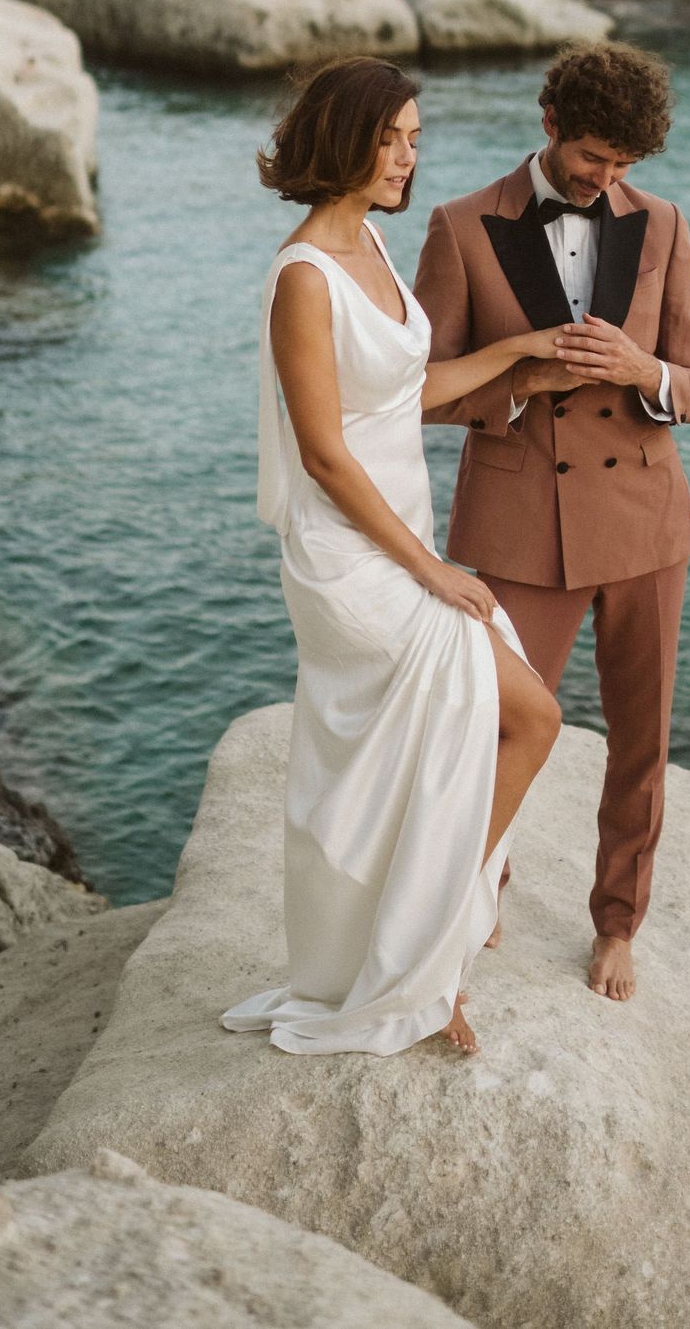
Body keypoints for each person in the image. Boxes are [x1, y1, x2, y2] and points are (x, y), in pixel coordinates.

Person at [220, 57, 563, 1057]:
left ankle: (429, 953)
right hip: (356, 564)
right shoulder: (301, 278)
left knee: (444, 755)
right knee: (527, 719)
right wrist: (429, 568)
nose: (412, 157)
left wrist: (516, 354)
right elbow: (326, 453)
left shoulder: (372, 240)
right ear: (349, 140)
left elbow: (400, 392)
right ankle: (426, 965)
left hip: (400, 544)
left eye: (416, 138)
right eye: (395, 139)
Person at [414, 42, 690, 1001]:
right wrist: (522, 380)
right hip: (518, 526)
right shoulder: (462, 227)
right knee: (494, 727)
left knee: (642, 738)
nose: (607, 179)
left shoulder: (662, 226)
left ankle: (617, 925)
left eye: (625, 166)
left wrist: (645, 373)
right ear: (549, 126)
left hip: (644, 524)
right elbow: (419, 393)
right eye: (593, 158)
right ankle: (478, 890)